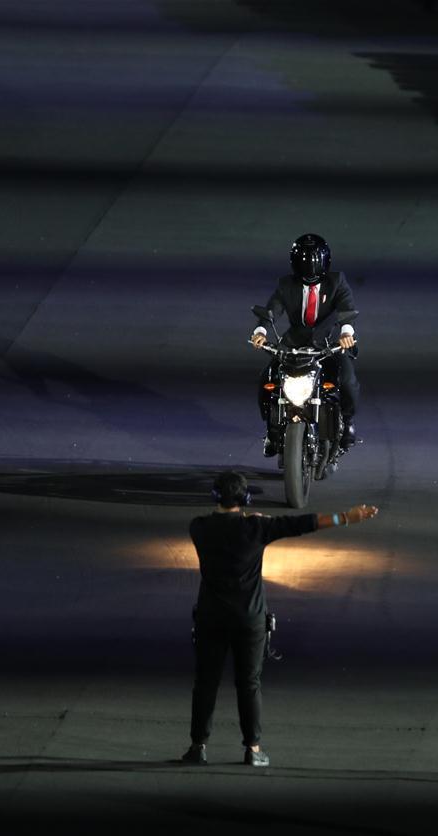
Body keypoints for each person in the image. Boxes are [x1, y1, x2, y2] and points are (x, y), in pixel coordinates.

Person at [182, 470, 379, 767]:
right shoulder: (258, 528)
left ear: (215, 497)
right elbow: (303, 524)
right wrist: (346, 517)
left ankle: (198, 746)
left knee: (205, 683)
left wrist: (251, 521)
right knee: (249, 683)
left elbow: (220, 525)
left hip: (211, 617)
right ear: (245, 498)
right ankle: (253, 748)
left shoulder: (198, 528)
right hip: (249, 619)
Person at [251, 233, 360, 453]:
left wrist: (346, 333)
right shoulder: (286, 284)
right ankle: (272, 430)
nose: (310, 268)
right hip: (293, 344)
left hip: (329, 345)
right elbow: (272, 309)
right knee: (267, 380)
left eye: (315, 262)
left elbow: (346, 310)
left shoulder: (337, 281)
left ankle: (347, 423)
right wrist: (260, 331)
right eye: (304, 262)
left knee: (347, 382)